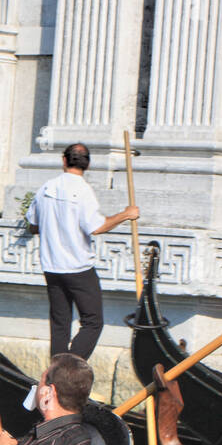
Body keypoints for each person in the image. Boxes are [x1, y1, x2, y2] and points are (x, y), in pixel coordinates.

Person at [26, 142, 139, 359]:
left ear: (64, 160)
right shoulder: (83, 191)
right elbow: (96, 227)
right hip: (79, 268)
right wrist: (126, 214)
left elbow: (33, 225)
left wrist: (54, 225)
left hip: (52, 267)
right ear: (87, 164)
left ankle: (57, 371)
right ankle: (68, 368)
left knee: (60, 323)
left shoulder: (46, 188)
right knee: (93, 322)